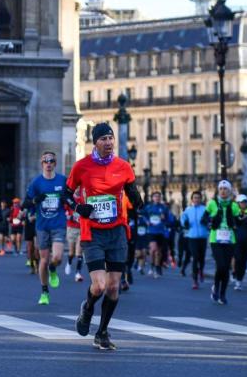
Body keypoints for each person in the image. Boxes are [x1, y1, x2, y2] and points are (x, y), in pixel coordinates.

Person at [65, 122, 144, 350]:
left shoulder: (123, 166)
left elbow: (131, 189)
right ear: (95, 142)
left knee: (113, 287)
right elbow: (66, 194)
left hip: (117, 231)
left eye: (111, 138)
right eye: (103, 139)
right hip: (93, 232)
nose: (108, 142)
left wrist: (138, 201)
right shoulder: (82, 167)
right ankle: (87, 309)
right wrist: (79, 208)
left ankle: (102, 332)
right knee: (98, 286)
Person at [26, 151, 68, 306]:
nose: (48, 163)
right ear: (41, 163)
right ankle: (44, 291)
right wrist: (36, 200)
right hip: (42, 226)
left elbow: (71, 197)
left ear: (55, 163)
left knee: (57, 257)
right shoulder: (36, 182)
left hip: (58, 224)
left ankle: (53, 268)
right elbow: (27, 202)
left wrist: (68, 201)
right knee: (43, 259)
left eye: (51, 161)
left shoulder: (63, 180)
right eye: (45, 161)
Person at [203, 180, 240, 305]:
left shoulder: (234, 205)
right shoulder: (212, 204)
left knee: (226, 268)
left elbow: (239, 220)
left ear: (229, 191)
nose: (223, 191)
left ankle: (222, 294)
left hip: (230, 239)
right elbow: (204, 219)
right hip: (216, 239)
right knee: (221, 266)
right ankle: (216, 288)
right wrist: (210, 224)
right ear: (218, 191)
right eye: (221, 189)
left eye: (225, 189)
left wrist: (238, 223)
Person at [181, 191, 209, 289]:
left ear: (201, 199)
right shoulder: (188, 210)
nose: (196, 199)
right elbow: (182, 219)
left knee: (201, 258)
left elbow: (210, 220)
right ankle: (195, 280)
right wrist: (185, 223)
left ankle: (201, 270)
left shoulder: (205, 209)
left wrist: (207, 222)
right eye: (195, 198)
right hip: (192, 237)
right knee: (195, 257)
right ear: (192, 199)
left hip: (203, 237)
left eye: (198, 198)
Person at [143, 192, 170, 278]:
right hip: (151, 231)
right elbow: (144, 216)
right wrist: (147, 221)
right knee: (153, 249)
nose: (157, 198)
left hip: (160, 231)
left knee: (158, 252)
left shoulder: (164, 208)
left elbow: (168, 219)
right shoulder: (149, 207)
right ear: (152, 198)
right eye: (155, 196)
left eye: (158, 196)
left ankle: (157, 267)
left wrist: (164, 219)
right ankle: (152, 265)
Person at [232, 195, 247, 291]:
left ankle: (239, 281)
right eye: (242, 202)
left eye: (245, 202)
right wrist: (241, 219)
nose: (244, 204)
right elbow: (234, 223)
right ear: (238, 203)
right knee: (238, 259)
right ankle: (236, 277)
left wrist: (245, 219)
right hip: (236, 241)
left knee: (244, 262)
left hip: (246, 241)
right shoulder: (235, 213)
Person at [65, 193, 85, 282]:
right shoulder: (70, 199)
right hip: (71, 228)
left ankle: (78, 273)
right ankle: (69, 262)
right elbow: (64, 212)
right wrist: (71, 217)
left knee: (79, 252)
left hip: (81, 228)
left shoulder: (83, 198)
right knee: (71, 252)